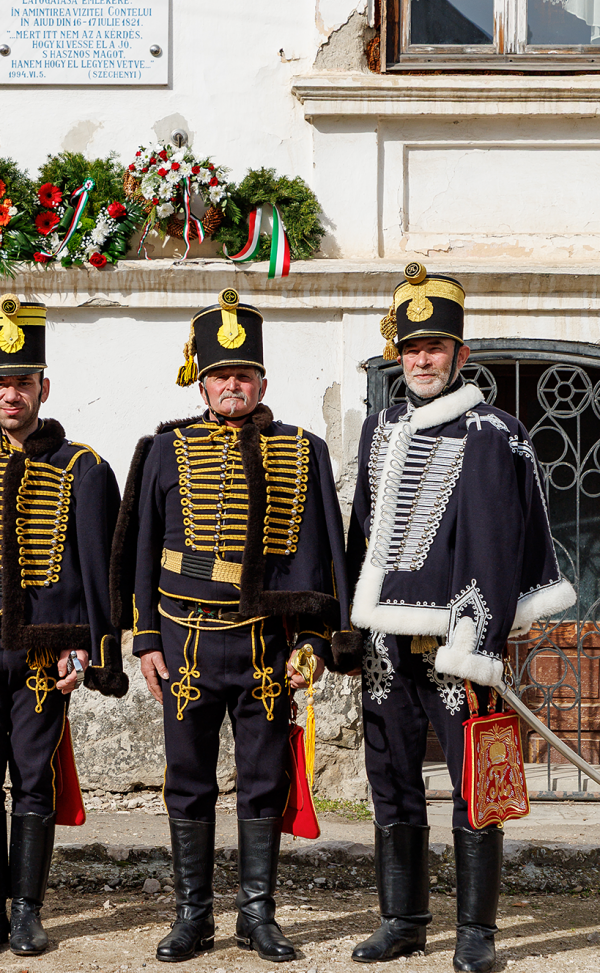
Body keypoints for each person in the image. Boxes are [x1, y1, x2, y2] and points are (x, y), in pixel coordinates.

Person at [115, 289, 359, 964]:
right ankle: (192, 915)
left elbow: (321, 556)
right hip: (185, 641)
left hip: (263, 646)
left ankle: (257, 914)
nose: (231, 385)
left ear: (262, 382)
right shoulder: (162, 450)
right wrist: (144, 639)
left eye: (243, 375)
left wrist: (314, 640)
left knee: (263, 780)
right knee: (186, 779)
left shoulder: (302, 451)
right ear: (202, 381)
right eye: (220, 375)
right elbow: (138, 549)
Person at [347, 264, 575, 972]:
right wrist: (347, 627)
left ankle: (477, 933)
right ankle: (403, 920)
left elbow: (496, 543)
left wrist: (477, 639)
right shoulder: (379, 426)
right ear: (398, 355)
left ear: (460, 355)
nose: (422, 359)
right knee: (391, 775)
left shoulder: (492, 431)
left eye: (436, 347)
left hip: (458, 641)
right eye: (412, 348)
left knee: (481, 776)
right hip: (386, 640)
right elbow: (364, 532)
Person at [0, 295, 126, 957]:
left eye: (24, 381)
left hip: (45, 654)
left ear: (44, 385)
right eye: (1, 381)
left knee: (34, 778)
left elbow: (100, 571)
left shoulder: (83, 466)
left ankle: (29, 911)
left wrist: (91, 649)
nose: (13, 393)